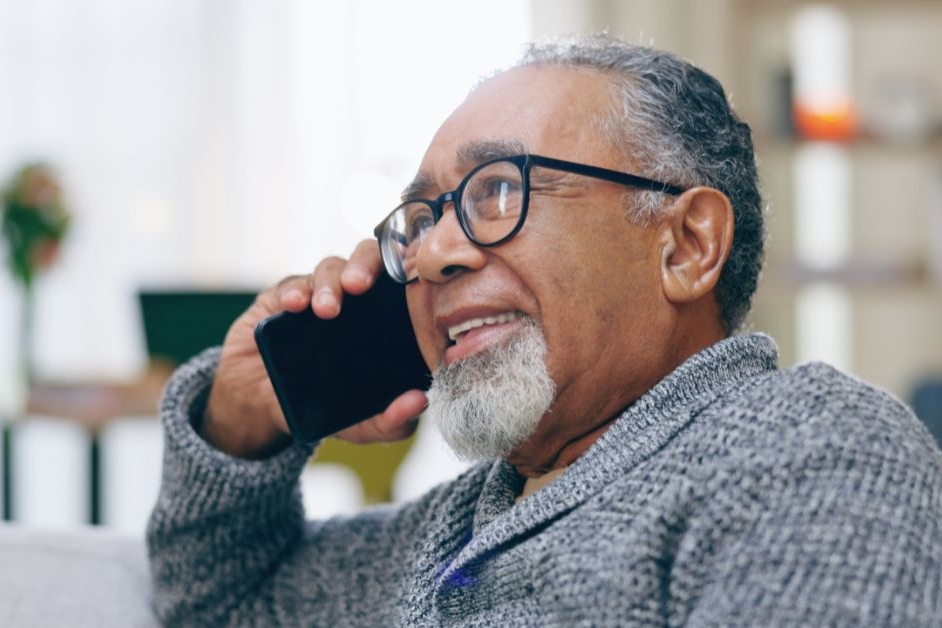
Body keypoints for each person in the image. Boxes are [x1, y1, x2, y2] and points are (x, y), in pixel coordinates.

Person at [147, 34, 942, 626]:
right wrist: (239, 422)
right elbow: (220, 604)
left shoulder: (808, 449)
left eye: (498, 190)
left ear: (686, 246)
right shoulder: (451, 528)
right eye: (421, 218)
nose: (432, 254)